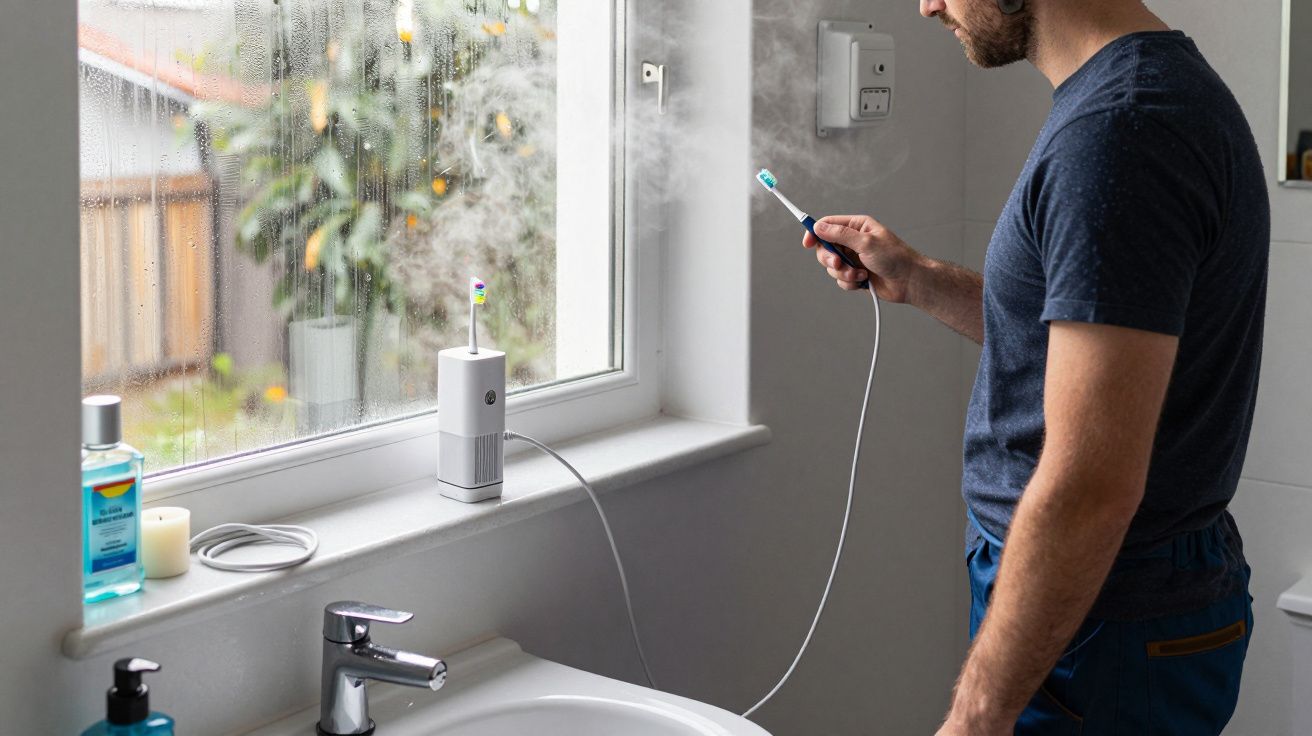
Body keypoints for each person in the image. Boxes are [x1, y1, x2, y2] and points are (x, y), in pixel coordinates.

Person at [804, 1, 1270, 733]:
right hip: (1104, 597)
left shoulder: (1122, 131)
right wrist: (920, 278)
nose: (927, 4)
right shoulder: (1140, 95)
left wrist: (974, 719)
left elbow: (1091, 484)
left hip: (1099, 612)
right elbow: (1087, 344)